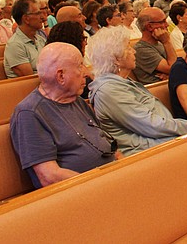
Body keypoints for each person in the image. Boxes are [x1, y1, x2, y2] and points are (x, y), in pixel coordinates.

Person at [10, 43, 117, 188]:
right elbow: (49, 176)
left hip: (110, 178)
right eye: (80, 66)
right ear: (61, 76)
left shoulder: (76, 100)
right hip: (78, 191)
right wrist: (99, 184)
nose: (86, 72)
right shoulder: (30, 113)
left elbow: (107, 143)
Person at [88, 26, 187, 156]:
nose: (134, 51)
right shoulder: (108, 91)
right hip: (146, 152)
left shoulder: (120, 82)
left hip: (161, 142)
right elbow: (150, 125)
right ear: (116, 59)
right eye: (128, 48)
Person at [132, 7, 178, 84]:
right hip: (157, 92)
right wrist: (167, 42)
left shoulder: (160, 43)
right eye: (163, 22)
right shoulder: (141, 49)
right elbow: (174, 69)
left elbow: (177, 67)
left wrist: (170, 75)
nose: (167, 25)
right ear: (149, 27)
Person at [4, 0, 47, 78]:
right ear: (26, 19)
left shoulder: (40, 39)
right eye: (38, 13)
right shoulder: (15, 45)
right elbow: (29, 78)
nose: (42, 17)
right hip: (27, 89)